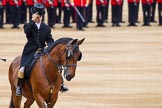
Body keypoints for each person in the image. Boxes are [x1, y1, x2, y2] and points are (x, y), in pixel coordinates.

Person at [16, 3, 68, 96]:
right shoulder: (28, 25)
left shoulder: (46, 28)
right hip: (30, 51)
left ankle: (61, 85)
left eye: (40, 16)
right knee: (22, 68)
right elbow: (27, 31)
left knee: (55, 66)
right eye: (37, 16)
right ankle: (19, 87)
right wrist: (32, 21)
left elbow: (50, 40)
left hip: (42, 50)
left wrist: (51, 46)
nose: (39, 18)